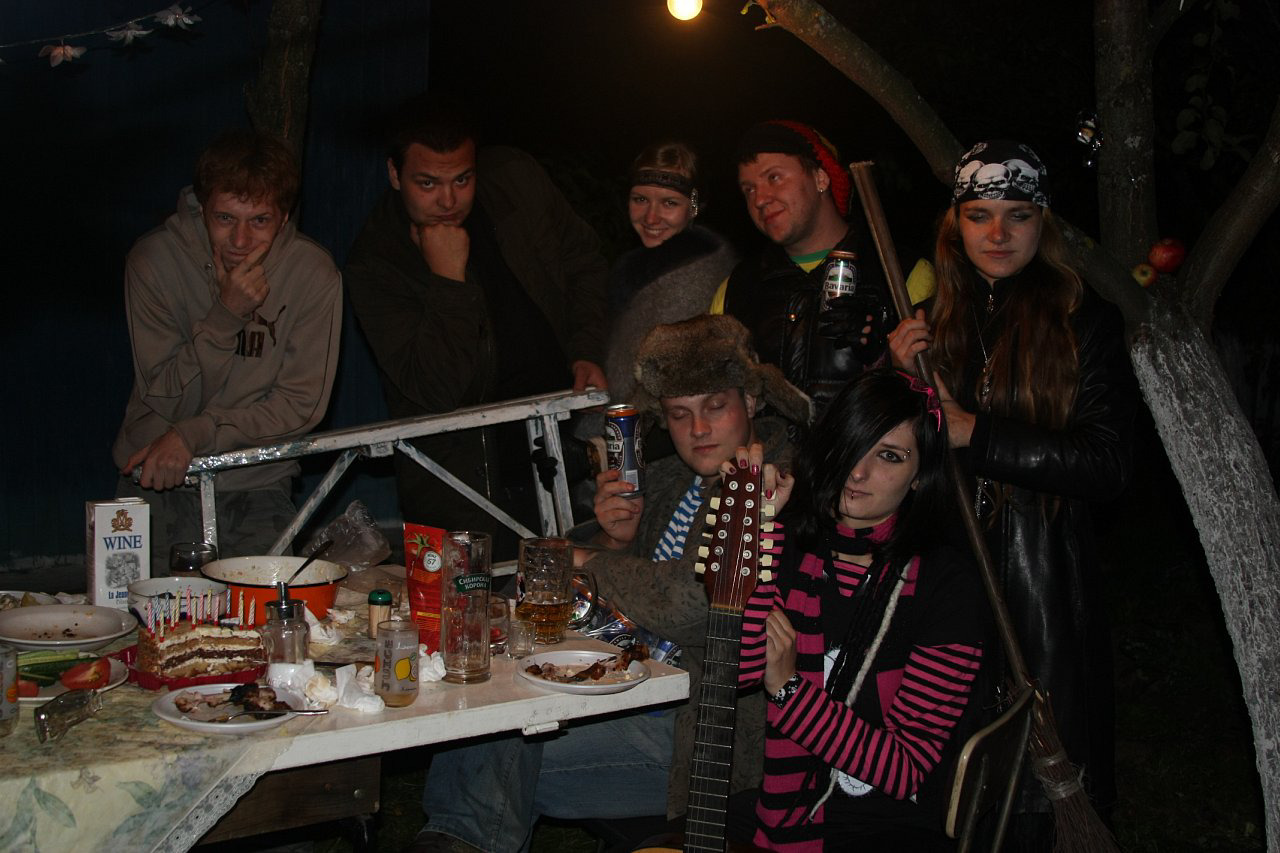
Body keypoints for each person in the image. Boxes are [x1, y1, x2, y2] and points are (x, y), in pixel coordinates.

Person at [412, 314, 812, 853]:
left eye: (715, 406)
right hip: (627, 683)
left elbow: (694, 603)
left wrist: (589, 560)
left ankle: (456, 838)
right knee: (485, 729)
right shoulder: (671, 479)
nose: (697, 429)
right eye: (679, 413)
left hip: (704, 731)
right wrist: (613, 539)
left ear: (752, 400)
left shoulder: (774, 480)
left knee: (490, 754)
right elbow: (611, 584)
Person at [888, 140, 1137, 848]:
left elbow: (1108, 463)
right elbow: (892, 466)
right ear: (956, 225)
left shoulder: (1084, 320)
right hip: (942, 584)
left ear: (1042, 222)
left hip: (1040, 589)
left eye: (1018, 215)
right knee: (943, 793)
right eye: (980, 215)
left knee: (1031, 811)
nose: (998, 233)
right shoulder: (928, 324)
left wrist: (979, 432)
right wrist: (897, 379)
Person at [737, 368, 991, 851]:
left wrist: (790, 690)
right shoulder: (790, 544)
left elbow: (905, 768)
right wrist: (757, 533)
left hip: (890, 827)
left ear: (920, 477)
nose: (858, 472)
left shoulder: (946, 584)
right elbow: (744, 670)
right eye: (852, 444)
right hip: (786, 806)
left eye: (889, 456)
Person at [344, 94, 608, 544]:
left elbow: (583, 261)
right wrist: (448, 280)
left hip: (566, 457)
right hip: (465, 490)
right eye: (427, 183)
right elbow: (437, 390)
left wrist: (585, 348)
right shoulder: (376, 262)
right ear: (394, 174)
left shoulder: (516, 182)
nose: (448, 199)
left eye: (462, 179)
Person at [112, 130, 342, 571]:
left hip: (257, 479)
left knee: (265, 612)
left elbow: (300, 408)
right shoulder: (154, 261)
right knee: (142, 610)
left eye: (259, 221)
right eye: (224, 218)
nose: (240, 240)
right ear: (202, 208)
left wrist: (195, 434)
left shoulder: (312, 274)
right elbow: (166, 397)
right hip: (155, 475)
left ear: (284, 217)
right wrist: (225, 315)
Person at [711, 120, 902, 416]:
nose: (760, 199)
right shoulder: (735, 290)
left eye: (774, 177)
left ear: (820, 177)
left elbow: (934, 400)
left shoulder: (900, 274)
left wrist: (883, 356)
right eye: (749, 189)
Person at [603, 141, 737, 401]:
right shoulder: (628, 271)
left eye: (669, 203)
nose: (651, 218)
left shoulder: (705, 273)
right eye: (641, 200)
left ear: (693, 206)